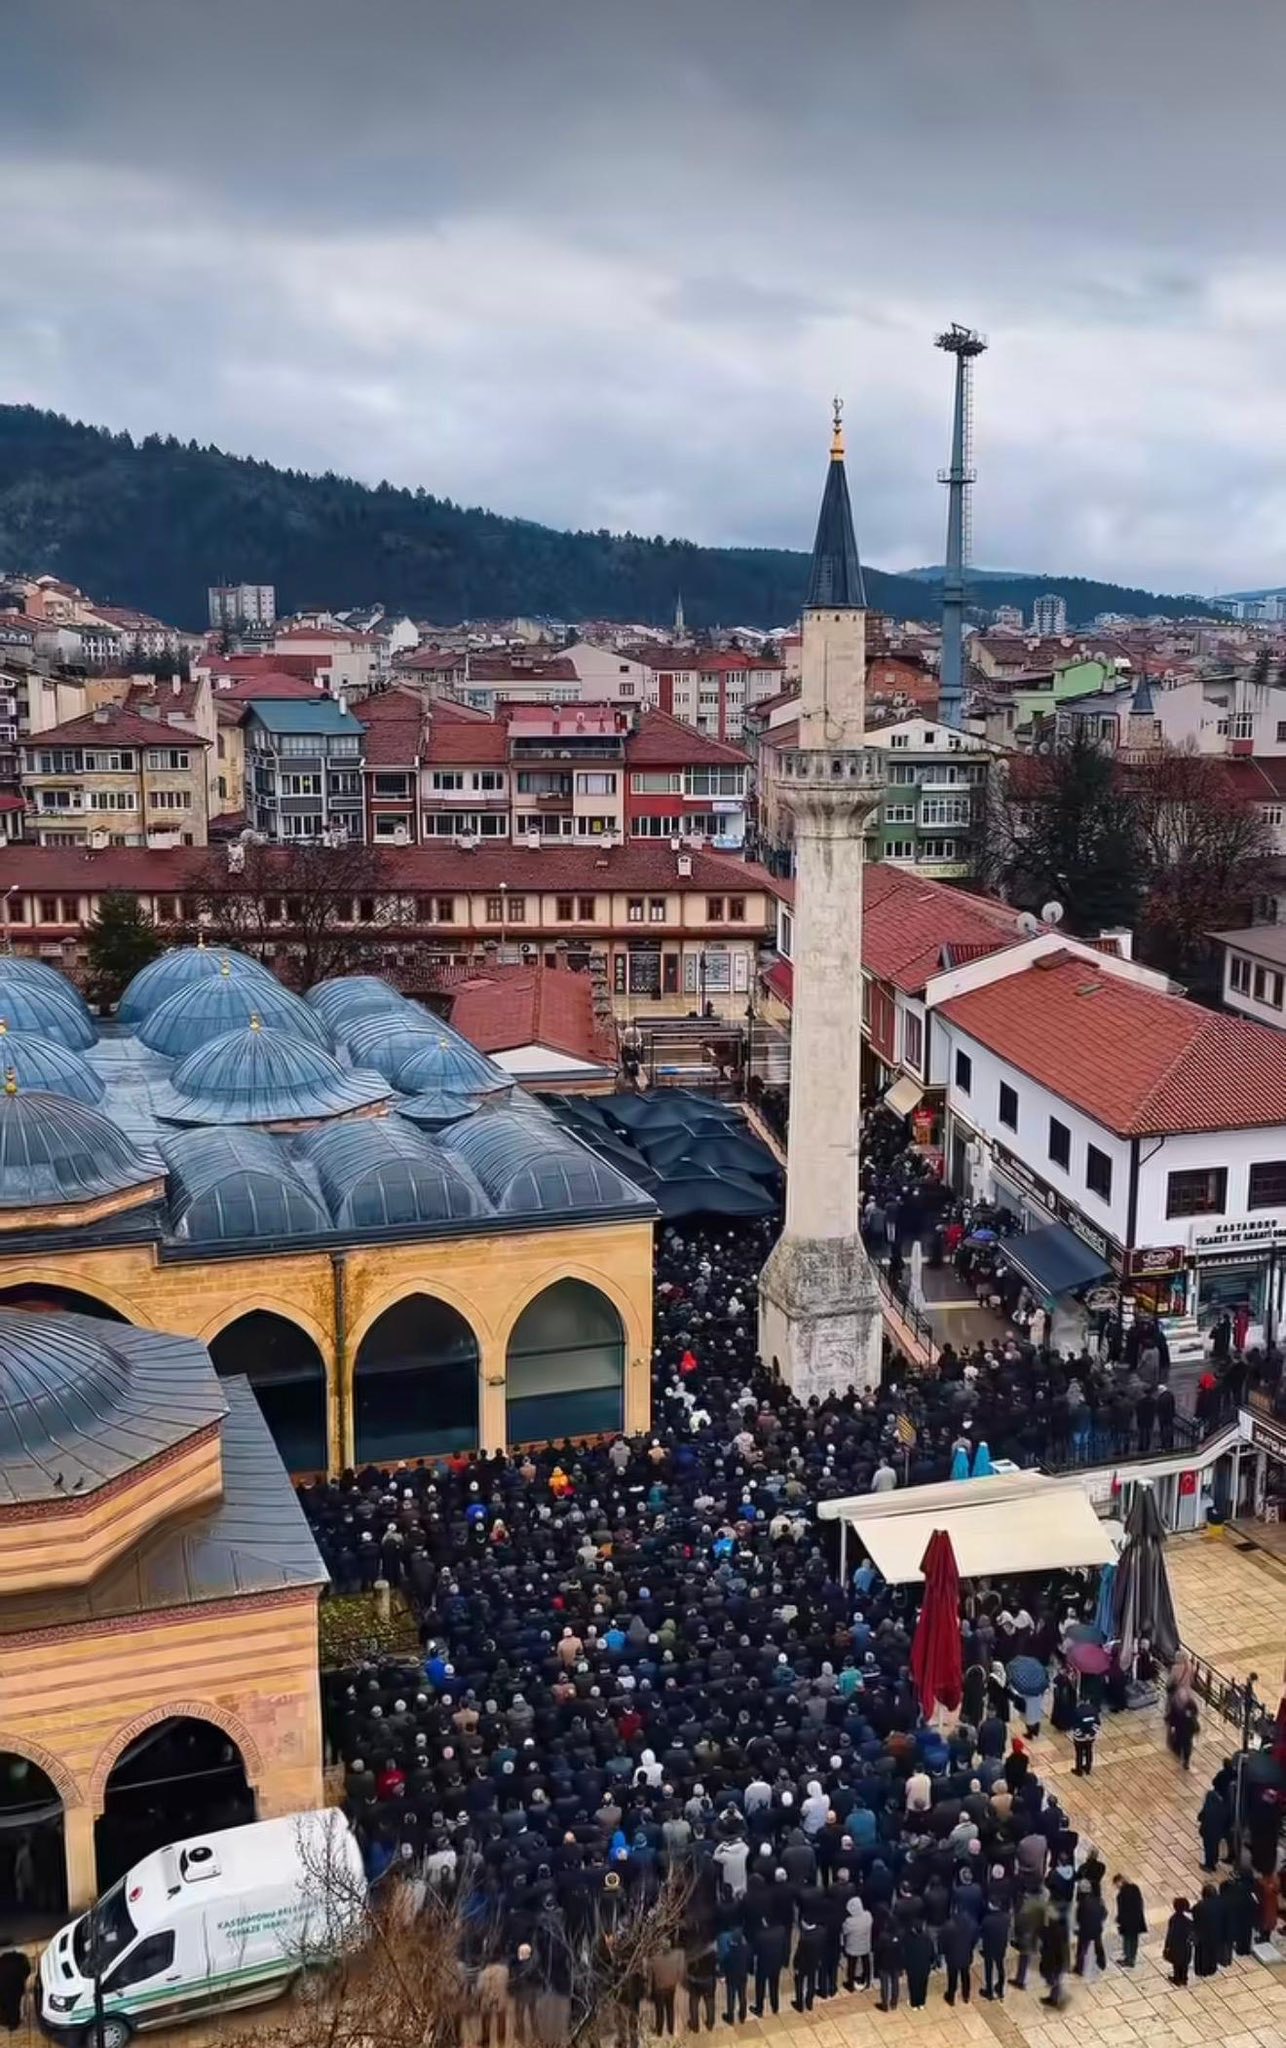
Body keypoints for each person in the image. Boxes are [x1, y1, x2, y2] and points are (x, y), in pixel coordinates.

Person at [940, 1906, 977, 2005]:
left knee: (952, 1978)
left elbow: (943, 1942)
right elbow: (974, 1940)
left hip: (952, 1957)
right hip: (966, 1956)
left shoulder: (948, 1926)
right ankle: (966, 1995)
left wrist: (944, 1952)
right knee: (965, 1976)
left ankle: (951, 1997)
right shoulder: (972, 1924)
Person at [1073, 1879, 1108, 1976]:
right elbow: (1105, 1913)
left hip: (1085, 1930)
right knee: (1098, 1945)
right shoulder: (1098, 1900)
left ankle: (1079, 1969)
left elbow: (1078, 1918)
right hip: (1097, 1928)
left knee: (1082, 1950)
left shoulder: (1082, 1904)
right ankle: (1102, 1963)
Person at [980, 1898, 1011, 2001]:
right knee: (1000, 1966)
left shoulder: (987, 1920)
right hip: (1001, 1946)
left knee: (989, 1969)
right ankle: (1000, 1989)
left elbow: (982, 1933)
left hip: (989, 1947)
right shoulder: (1007, 1917)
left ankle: (989, 1991)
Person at [1113, 1874, 1146, 1968]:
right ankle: (1132, 1957)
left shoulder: (1121, 1895)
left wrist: (1119, 1919)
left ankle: (1128, 1959)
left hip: (1127, 1922)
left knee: (1127, 1940)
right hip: (1137, 1919)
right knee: (1134, 1939)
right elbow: (1140, 1902)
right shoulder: (1135, 1888)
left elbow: (1122, 1910)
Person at [1038, 1905, 1069, 2009]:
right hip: (1060, 1959)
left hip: (1053, 1960)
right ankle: (1054, 1997)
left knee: (1054, 1979)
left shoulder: (1051, 1931)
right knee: (1057, 1979)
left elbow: (1043, 1936)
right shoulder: (1062, 1929)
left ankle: (1054, 1998)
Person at [842, 1895, 872, 1991]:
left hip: (852, 1948)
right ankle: (867, 1981)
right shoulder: (868, 1916)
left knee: (851, 1966)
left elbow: (844, 1931)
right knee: (866, 1963)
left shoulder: (849, 1922)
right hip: (865, 1945)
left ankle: (850, 1985)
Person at [1192, 1883, 1222, 1978]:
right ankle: (1211, 1968)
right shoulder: (1219, 1905)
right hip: (1215, 1933)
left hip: (1202, 1934)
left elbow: (1194, 1916)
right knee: (1212, 1951)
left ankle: (1201, 1970)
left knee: (1201, 1953)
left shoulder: (1200, 1906)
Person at [874, 1918, 903, 2012]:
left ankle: (885, 2004)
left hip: (884, 1963)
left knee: (884, 1984)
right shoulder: (900, 1935)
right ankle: (894, 2003)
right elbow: (902, 1951)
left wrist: (876, 1964)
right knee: (895, 1983)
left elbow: (878, 1950)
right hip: (896, 1963)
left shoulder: (883, 1936)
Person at [1164, 1897, 1193, 1986]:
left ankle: (1177, 1979)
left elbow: (1170, 1934)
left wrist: (1167, 1946)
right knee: (1185, 1963)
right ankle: (1184, 1978)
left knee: (1176, 1963)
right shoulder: (1188, 1921)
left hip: (1176, 1946)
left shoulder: (1173, 1919)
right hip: (1186, 1945)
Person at [0, 1952, 29, 2034]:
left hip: (4, 1986)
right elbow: (27, 1971)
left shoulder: (3, 1960)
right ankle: (13, 2023)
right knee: (14, 2005)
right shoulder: (21, 1960)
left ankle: (7, 2020)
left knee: (4, 2004)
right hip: (15, 1987)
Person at [1071, 1704, 1100, 1777]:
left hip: (1080, 1738)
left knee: (1079, 1753)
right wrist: (1091, 1733)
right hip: (1091, 1737)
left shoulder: (1077, 1712)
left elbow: (1074, 1725)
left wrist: (1080, 1734)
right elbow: (1097, 1723)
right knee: (1089, 1751)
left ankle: (1079, 1770)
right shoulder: (1093, 1711)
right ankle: (1088, 1768)